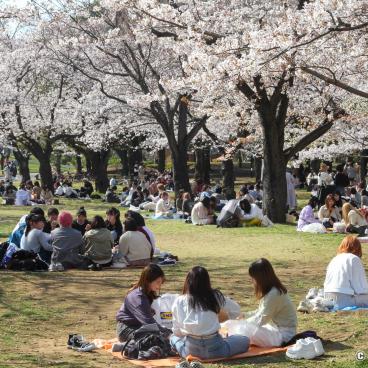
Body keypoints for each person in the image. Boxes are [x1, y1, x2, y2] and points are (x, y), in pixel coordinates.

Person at [170, 266, 250, 359]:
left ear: (188, 281)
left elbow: (177, 332)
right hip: (217, 349)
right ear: (207, 281)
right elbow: (236, 309)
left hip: (190, 351)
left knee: (173, 338)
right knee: (245, 340)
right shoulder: (214, 296)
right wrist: (226, 318)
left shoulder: (179, 300)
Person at [245, 259, 297, 347]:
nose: (252, 281)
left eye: (253, 278)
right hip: (275, 330)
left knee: (245, 331)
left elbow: (262, 318)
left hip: (284, 336)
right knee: (245, 329)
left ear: (260, 278)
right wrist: (244, 316)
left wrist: (244, 323)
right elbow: (260, 312)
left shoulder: (274, 293)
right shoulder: (271, 291)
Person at [116, 264, 168, 342]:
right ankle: (124, 346)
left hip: (139, 327)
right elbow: (149, 323)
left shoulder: (146, 293)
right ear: (148, 280)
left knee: (160, 338)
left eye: (161, 282)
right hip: (126, 329)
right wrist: (168, 333)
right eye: (158, 282)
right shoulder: (138, 298)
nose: (160, 286)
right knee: (156, 339)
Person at [324, 236, 368, 309]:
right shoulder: (354, 259)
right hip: (344, 299)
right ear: (358, 248)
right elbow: (360, 289)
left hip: (328, 296)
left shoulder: (335, 258)